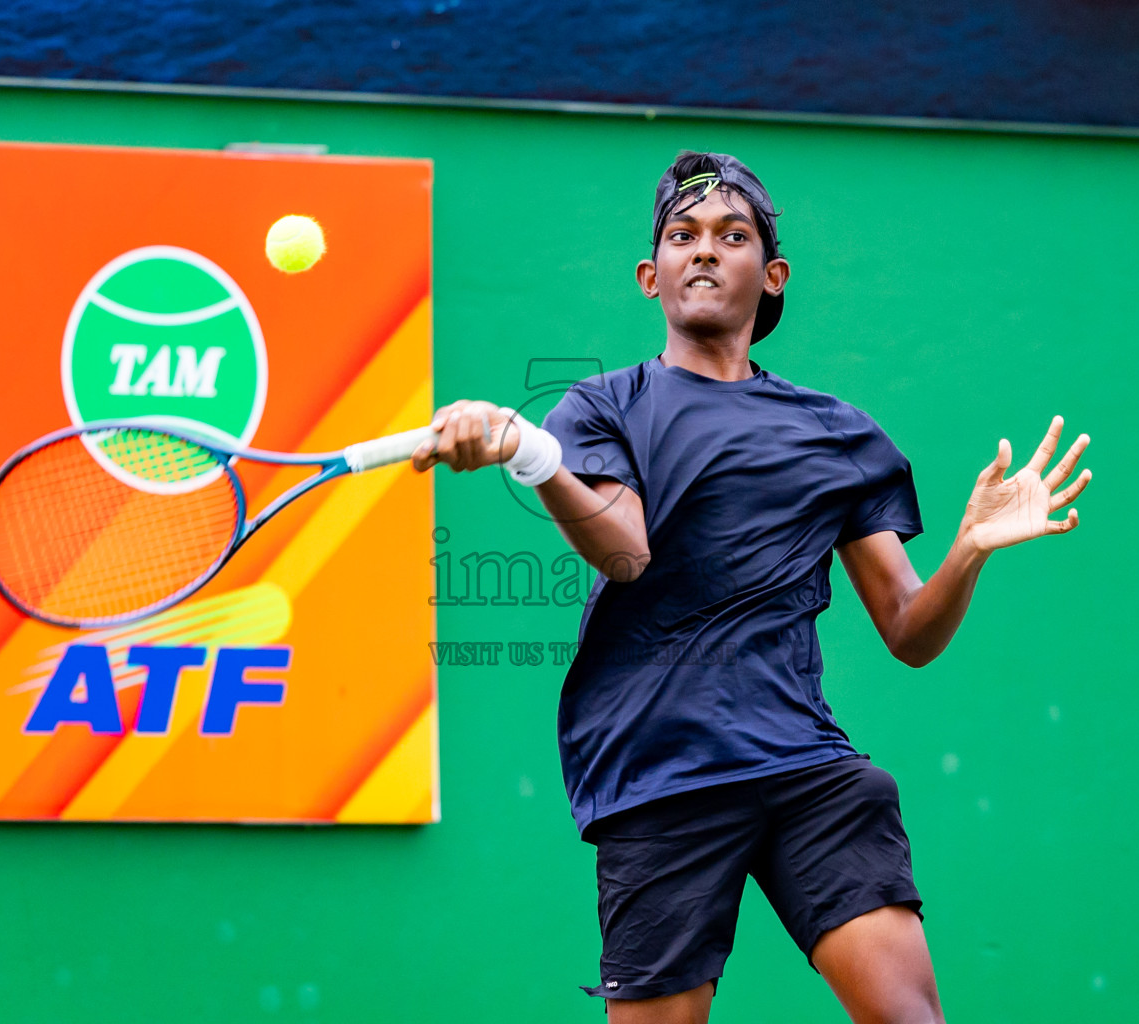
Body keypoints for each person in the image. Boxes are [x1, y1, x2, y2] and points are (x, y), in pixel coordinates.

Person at [410, 151, 1092, 1024]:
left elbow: (910, 632)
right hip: (658, 774)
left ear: (770, 276)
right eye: (682, 236)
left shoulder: (840, 436)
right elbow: (624, 553)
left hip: (805, 767)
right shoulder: (603, 406)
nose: (704, 251)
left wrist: (968, 550)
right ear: (649, 275)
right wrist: (534, 454)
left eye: (732, 236)